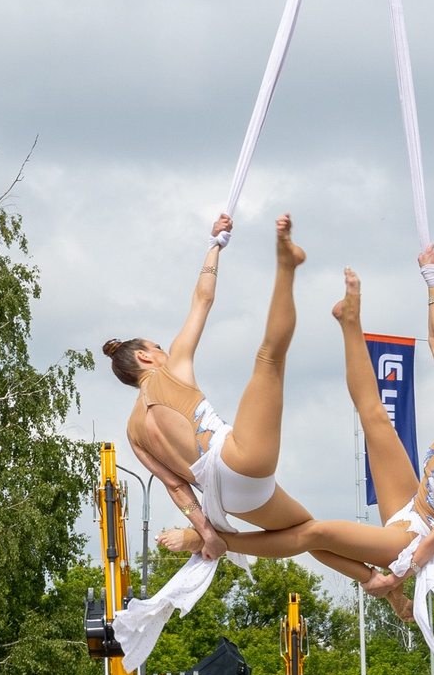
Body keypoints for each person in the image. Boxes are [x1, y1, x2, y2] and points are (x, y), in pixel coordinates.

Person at [158, 250, 434, 666]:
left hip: (416, 540)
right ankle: (349, 321)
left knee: (314, 532)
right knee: (374, 414)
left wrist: (395, 574)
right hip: (411, 504)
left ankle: (212, 541)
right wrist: (432, 279)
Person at [103, 213, 318, 560]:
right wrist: (213, 246)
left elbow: (175, 485)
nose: (165, 350)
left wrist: (206, 531)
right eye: (157, 347)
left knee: (307, 533)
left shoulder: (132, 431)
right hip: (232, 458)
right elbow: (202, 301)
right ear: (144, 356)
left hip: (223, 498)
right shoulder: (172, 370)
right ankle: (287, 267)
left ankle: (378, 581)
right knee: (270, 359)